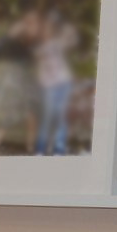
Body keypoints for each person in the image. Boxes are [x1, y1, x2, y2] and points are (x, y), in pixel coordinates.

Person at [33, 9, 79, 155]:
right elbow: (40, 62)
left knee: (61, 115)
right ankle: (41, 148)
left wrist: (67, 29)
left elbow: (72, 40)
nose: (48, 30)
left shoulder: (58, 43)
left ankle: (59, 148)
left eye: (51, 27)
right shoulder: (39, 48)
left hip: (64, 83)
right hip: (49, 86)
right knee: (47, 116)